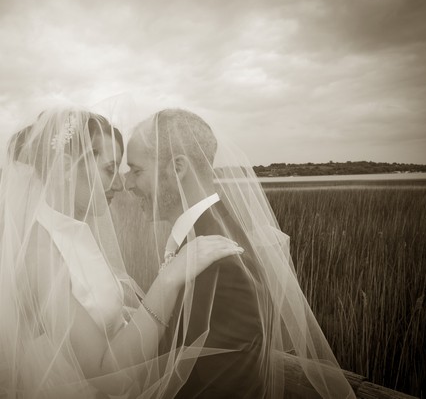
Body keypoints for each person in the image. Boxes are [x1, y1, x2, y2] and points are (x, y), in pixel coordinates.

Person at [0, 106, 240, 398]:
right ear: (67, 166)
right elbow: (105, 374)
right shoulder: (41, 251)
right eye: (110, 169)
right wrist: (168, 281)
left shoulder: (75, 231)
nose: (121, 184)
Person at [124, 108, 356, 398]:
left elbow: (224, 385)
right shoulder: (206, 234)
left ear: (178, 168)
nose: (128, 184)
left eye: (137, 170)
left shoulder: (221, 262)